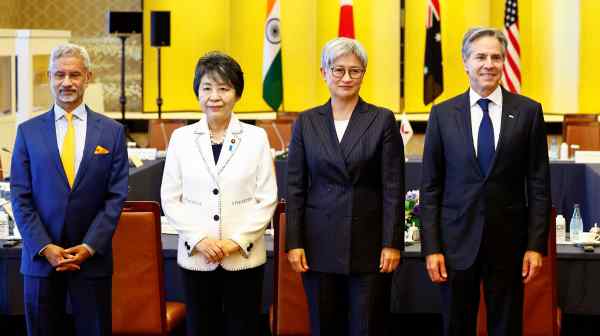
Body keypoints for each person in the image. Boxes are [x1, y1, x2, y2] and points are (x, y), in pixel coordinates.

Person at [420, 27, 551, 336]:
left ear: (504, 62)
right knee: (456, 326)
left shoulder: (529, 112)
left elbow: (539, 185)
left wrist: (535, 247)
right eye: (480, 57)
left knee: (506, 327)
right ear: (465, 62)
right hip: (454, 246)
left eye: (496, 57)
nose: (488, 64)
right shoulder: (441, 114)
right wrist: (432, 248)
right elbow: (430, 188)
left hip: (509, 246)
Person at [286, 37, 405, 336]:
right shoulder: (307, 121)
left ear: (364, 74)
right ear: (324, 72)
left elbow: (393, 186)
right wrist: (294, 242)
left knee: (367, 327)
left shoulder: (381, 119)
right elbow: (296, 186)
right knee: (325, 326)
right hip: (318, 243)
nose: (346, 78)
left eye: (355, 71)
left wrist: (391, 242)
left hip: (369, 244)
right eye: (338, 70)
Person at [10, 43, 129, 336]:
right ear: (49, 77)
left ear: (87, 77)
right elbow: (20, 196)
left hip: (92, 260)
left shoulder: (112, 132)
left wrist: (89, 247)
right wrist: (45, 247)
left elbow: (116, 197)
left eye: (74, 75)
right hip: (40, 260)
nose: (66, 82)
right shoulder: (27, 131)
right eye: (59, 75)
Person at [160, 51, 277, 336]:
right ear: (197, 92)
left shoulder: (256, 138)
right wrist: (199, 239)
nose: (215, 96)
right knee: (201, 328)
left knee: (243, 328)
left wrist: (235, 242)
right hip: (196, 256)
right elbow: (170, 198)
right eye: (207, 88)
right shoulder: (181, 139)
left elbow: (267, 198)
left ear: (236, 94)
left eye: (224, 89)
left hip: (244, 258)